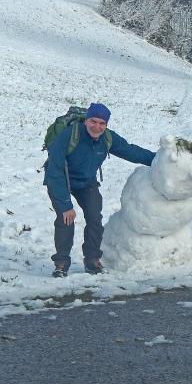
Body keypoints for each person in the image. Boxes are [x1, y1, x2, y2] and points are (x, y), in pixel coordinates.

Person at [43, 103, 155, 277]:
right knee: (66, 219)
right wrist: (66, 205)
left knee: (95, 218)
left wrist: (158, 159)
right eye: (93, 121)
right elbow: (54, 171)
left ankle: (92, 261)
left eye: (102, 123)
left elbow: (131, 151)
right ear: (86, 121)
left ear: (106, 125)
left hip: (86, 183)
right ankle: (61, 264)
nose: (97, 127)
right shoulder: (68, 136)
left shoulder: (107, 138)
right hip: (60, 181)